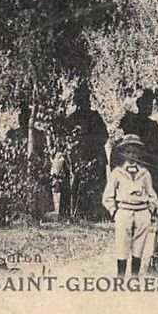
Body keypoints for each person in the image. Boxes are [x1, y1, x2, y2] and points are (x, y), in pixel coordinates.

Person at [102, 135, 158, 276]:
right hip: (124, 210)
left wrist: (150, 211)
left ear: (139, 153)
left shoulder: (144, 173)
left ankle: (134, 276)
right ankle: (120, 276)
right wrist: (114, 211)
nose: (132, 155)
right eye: (128, 151)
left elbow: (152, 194)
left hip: (142, 211)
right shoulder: (117, 173)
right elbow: (107, 196)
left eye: (135, 151)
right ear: (123, 153)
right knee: (122, 244)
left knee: (139, 245)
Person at [65, 83, 109, 220]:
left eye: (87, 98)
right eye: (82, 98)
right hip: (80, 156)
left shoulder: (95, 117)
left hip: (95, 155)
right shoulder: (72, 118)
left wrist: (92, 143)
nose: (85, 101)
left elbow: (104, 135)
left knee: (96, 184)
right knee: (79, 184)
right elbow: (68, 139)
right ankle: (79, 213)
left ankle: (98, 213)